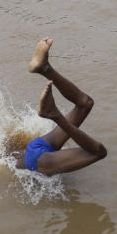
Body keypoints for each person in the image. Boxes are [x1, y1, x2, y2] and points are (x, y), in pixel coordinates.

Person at [16, 38, 108, 175]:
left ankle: (44, 68)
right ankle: (54, 114)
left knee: (86, 104)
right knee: (99, 151)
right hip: (38, 154)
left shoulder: (3, 162)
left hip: (40, 156)